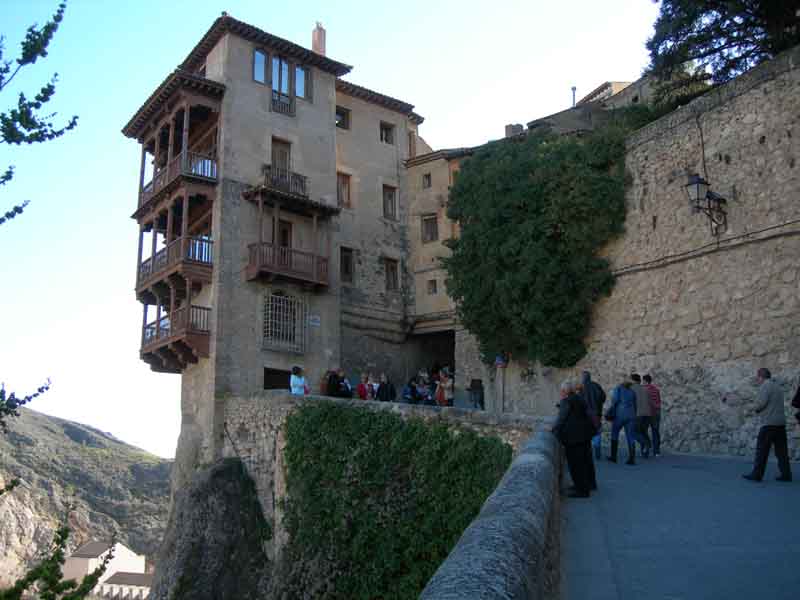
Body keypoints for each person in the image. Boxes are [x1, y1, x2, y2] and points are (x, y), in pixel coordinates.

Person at [743, 368, 793, 482]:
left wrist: (750, 408)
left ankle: (757, 475)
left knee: (762, 451)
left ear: (761, 376)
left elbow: (760, 404)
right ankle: (786, 474)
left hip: (769, 423)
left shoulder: (765, 386)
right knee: (782, 452)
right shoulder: (778, 387)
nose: (757, 380)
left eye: (758, 377)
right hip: (780, 423)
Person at [553, 379, 596, 498]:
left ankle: (581, 490)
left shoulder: (567, 401)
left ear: (565, 391)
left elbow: (561, 418)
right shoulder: (579, 398)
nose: (560, 393)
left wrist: (554, 430)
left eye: (561, 390)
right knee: (586, 461)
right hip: (584, 434)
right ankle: (589, 484)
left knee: (576, 464)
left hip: (573, 436)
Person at [606, 379, 638, 465]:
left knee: (614, 434)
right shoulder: (632, 392)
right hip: (631, 415)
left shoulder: (618, 389)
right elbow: (635, 405)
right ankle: (632, 459)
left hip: (620, 415)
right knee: (631, 436)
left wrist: (611, 411)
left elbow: (614, 401)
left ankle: (613, 457)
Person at [581, 371, 606, 460]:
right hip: (596, 412)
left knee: (585, 433)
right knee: (597, 431)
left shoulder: (581, 387)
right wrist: (599, 405)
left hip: (585, 413)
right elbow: (603, 397)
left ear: (583, 377)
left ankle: (587, 452)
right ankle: (597, 452)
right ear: (590, 377)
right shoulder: (596, 385)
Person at [630, 373, 653, 458]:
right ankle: (645, 453)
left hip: (637, 414)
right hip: (647, 414)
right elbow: (650, 402)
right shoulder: (645, 389)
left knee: (634, 432)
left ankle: (646, 444)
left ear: (632, 380)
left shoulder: (631, 389)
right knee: (643, 432)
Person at [643, 374, 662, 456]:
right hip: (657, 412)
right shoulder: (656, 389)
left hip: (647, 413)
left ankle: (646, 448)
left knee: (644, 431)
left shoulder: (644, 389)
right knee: (655, 432)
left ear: (645, 381)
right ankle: (656, 451)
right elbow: (658, 400)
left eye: (643, 381)